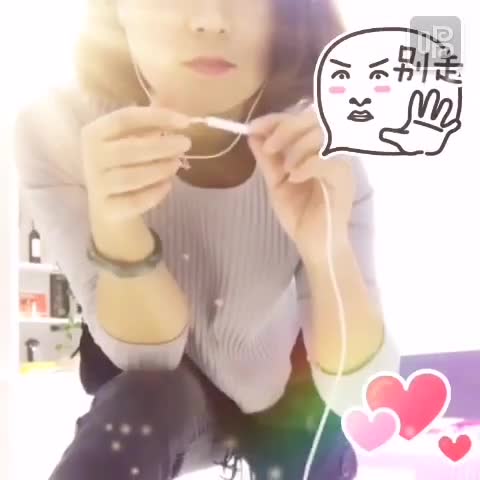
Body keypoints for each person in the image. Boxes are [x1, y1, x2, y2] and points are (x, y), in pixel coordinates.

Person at [15, 0, 400, 478]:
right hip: (150, 388)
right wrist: (118, 224)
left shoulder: (321, 150)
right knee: (146, 401)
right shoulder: (55, 129)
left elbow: (360, 392)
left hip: (281, 391)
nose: (211, 19)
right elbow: (149, 359)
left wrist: (328, 254)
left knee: (317, 441)